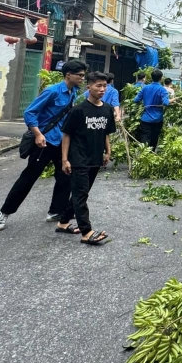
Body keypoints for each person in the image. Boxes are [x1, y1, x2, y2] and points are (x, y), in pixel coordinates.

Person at [0, 59, 86, 231]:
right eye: (79, 75)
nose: (82, 78)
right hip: (44, 142)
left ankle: (56, 211)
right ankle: (4, 212)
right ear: (68, 75)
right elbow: (30, 112)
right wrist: (38, 134)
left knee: (65, 175)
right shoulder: (53, 91)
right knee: (29, 178)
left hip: (61, 142)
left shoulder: (73, 92)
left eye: (83, 75)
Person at [55, 72, 115, 245]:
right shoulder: (78, 110)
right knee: (81, 194)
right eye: (98, 85)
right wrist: (65, 159)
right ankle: (86, 232)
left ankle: (63, 222)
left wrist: (107, 152)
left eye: (105, 86)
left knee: (81, 193)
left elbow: (105, 134)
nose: (102, 89)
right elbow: (67, 135)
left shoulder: (108, 109)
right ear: (89, 87)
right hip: (78, 158)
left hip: (95, 157)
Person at [134, 70, 170, 150]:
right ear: (161, 78)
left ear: (152, 77)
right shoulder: (162, 90)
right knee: (154, 138)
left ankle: (143, 155)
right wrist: (173, 100)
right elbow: (166, 103)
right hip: (157, 119)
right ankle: (151, 156)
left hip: (146, 118)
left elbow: (136, 100)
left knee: (145, 137)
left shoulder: (145, 88)